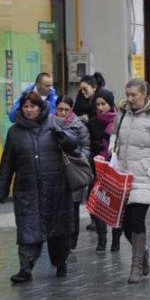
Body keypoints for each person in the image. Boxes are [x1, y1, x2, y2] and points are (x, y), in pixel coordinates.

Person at [0, 91, 77, 283]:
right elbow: (7, 162)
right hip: (27, 190)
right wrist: (1, 188)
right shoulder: (14, 132)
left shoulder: (55, 124)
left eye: (33, 106)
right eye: (25, 107)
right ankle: (25, 269)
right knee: (27, 229)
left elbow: (75, 145)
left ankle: (60, 262)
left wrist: (62, 135)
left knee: (58, 230)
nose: (29, 110)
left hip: (56, 188)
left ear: (40, 107)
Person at [109, 79, 150, 283]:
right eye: (127, 94)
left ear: (144, 95)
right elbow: (114, 136)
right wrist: (112, 148)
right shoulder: (122, 114)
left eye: (133, 95)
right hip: (123, 175)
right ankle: (143, 251)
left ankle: (136, 264)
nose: (129, 99)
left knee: (137, 219)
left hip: (144, 176)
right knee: (124, 224)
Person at [72, 73, 110, 232]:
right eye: (80, 89)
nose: (82, 92)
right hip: (86, 147)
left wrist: (89, 120)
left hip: (100, 149)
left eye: (85, 89)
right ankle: (95, 217)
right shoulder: (80, 101)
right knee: (90, 183)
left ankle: (99, 218)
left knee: (97, 185)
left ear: (94, 87)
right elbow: (75, 115)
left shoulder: (102, 100)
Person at [88, 90, 122, 252]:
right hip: (99, 167)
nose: (100, 107)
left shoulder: (119, 121)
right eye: (98, 104)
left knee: (117, 204)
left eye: (104, 104)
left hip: (116, 166)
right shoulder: (93, 123)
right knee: (98, 202)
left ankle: (116, 240)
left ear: (111, 104)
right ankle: (102, 239)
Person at [55, 96, 90, 250]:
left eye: (66, 109)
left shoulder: (79, 125)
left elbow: (86, 146)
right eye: (60, 109)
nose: (63, 112)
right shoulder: (50, 123)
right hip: (55, 172)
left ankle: (72, 240)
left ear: (71, 110)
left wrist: (79, 160)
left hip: (73, 170)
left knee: (73, 208)